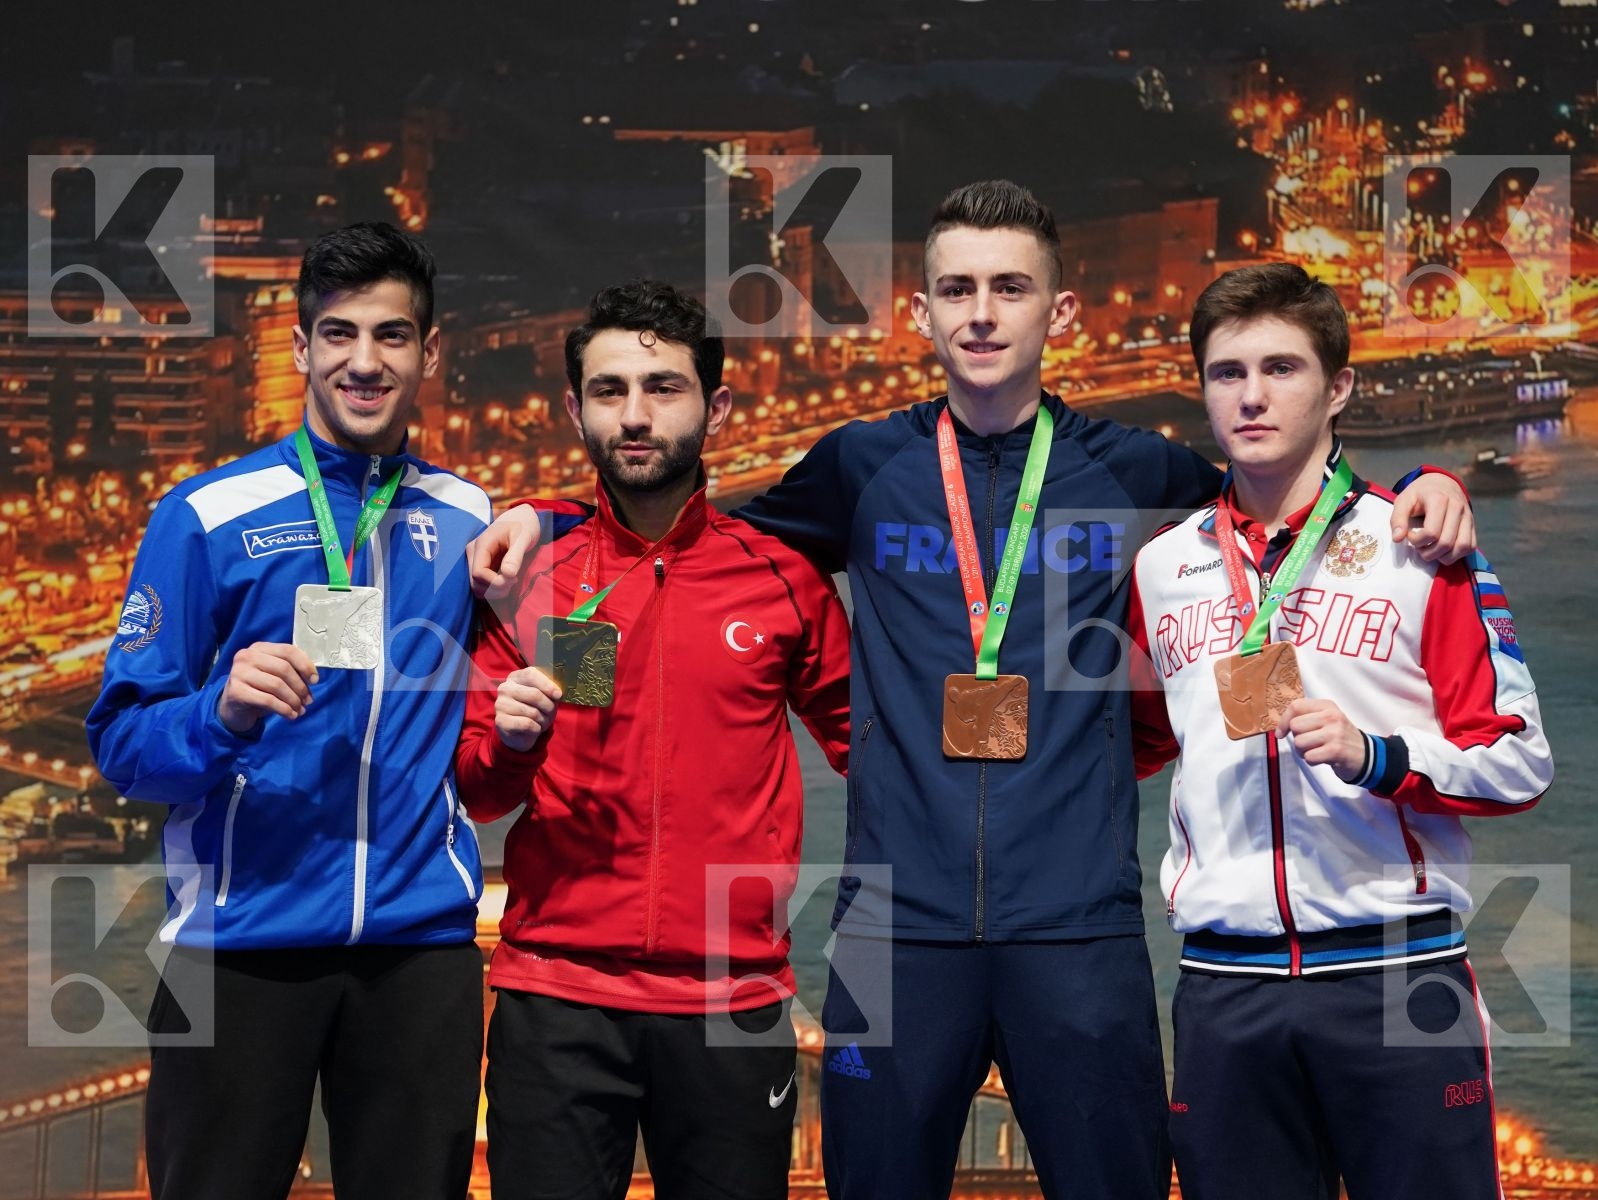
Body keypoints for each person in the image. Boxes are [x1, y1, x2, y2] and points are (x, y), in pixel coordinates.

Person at [470, 181, 1476, 1199]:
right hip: (888, 930)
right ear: (922, 313)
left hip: (1077, 923)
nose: (981, 313)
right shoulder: (859, 466)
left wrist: (1425, 486)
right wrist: (545, 513)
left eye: (1008, 287)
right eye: (955, 288)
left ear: (1057, 312)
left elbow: (1293, 496)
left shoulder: (1131, 472)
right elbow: (677, 524)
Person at [1127, 262, 1551, 1200]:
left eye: (1281, 368)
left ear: (1340, 387)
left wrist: (1379, 757)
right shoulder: (1162, 567)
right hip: (1221, 983)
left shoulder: (1421, 546)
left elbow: (1519, 761)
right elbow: (1145, 742)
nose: (1252, 395)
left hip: (1400, 974)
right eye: (1227, 373)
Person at [87, 222, 488, 1200]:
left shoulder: (473, 515)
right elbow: (121, 745)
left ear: (429, 354)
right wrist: (218, 716)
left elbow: (574, 655)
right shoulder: (203, 516)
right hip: (237, 949)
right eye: (339, 334)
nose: (365, 361)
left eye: (392, 336)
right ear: (302, 350)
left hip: (419, 955)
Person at [454, 280, 850, 1200]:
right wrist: (511, 744)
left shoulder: (783, 581)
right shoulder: (527, 577)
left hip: (733, 1004)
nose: (634, 416)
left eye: (663, 388)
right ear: (573, 408)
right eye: (609, 390)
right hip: (554, 999)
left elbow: (872, 751)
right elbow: (477, 794)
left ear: (715, 407)